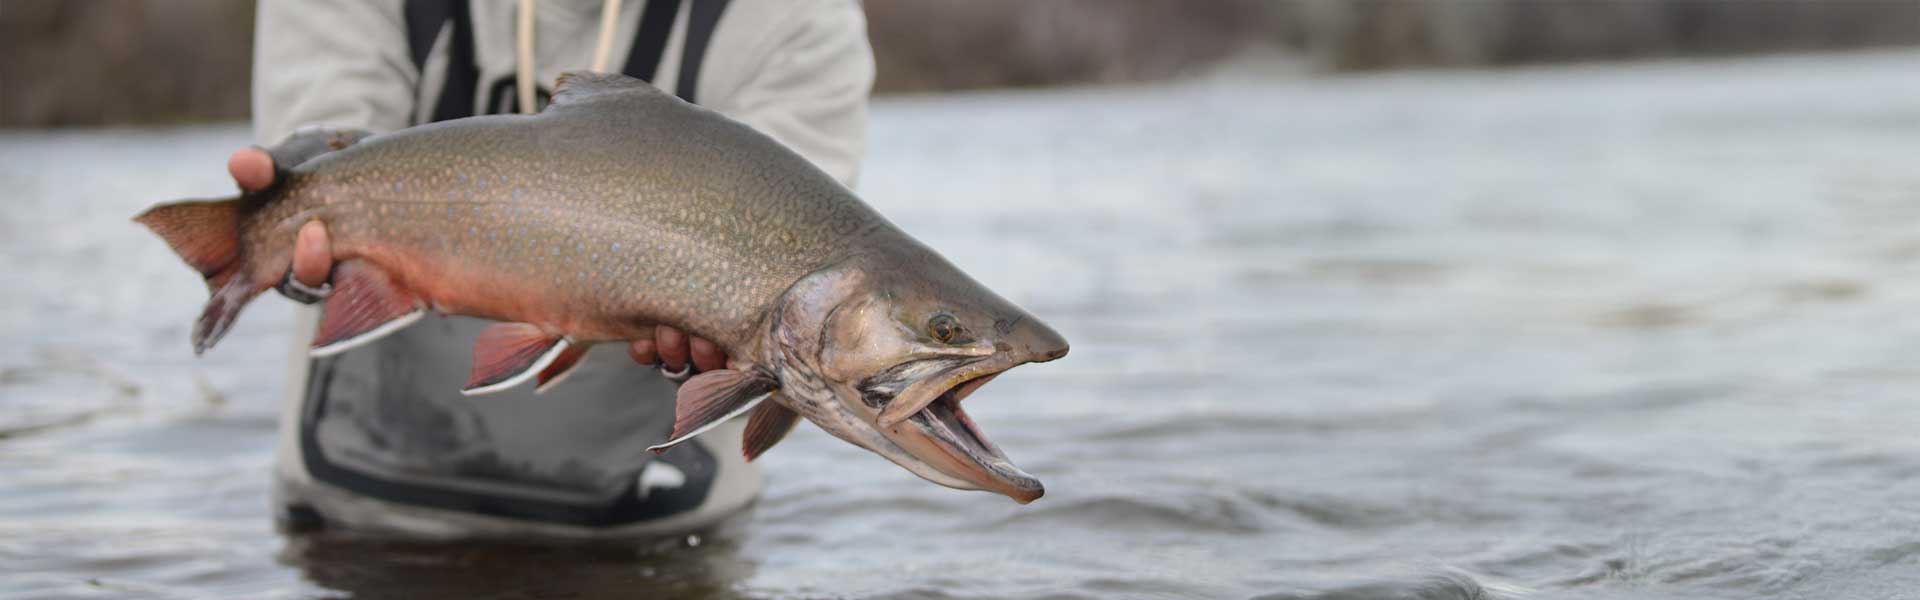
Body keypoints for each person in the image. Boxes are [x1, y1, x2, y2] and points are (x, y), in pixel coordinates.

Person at [235, 0, 874, 538]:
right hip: (355, 516)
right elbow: (325, 135)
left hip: (661, 529)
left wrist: (734, 339)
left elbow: (803, 253)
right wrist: (300, 185)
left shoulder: (796, 16)